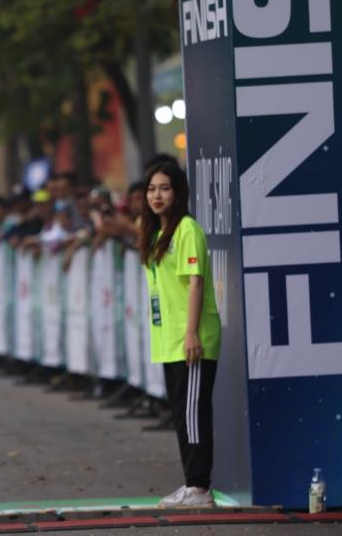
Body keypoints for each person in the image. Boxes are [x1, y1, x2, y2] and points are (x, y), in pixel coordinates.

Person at [139, 160, 221, 509]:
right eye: (152, 189)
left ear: (179, 192)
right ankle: (192, 485)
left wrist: (191, 333)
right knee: (181, 413)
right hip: (168, 340)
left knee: (193, 414)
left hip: (192, 338)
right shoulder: (157, 233)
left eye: (165, 188)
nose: (157, 195)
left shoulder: (187, 229)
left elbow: (196, 283)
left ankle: (200, 487)